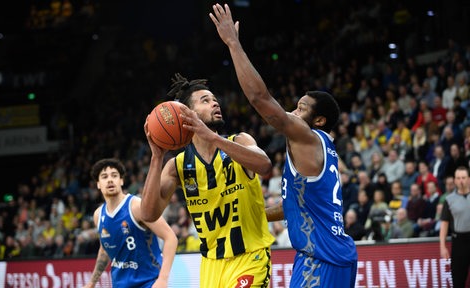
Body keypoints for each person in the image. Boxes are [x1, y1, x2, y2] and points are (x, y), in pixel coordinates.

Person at [209, 3, 358, 287]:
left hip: (322, 259)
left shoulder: (308, 136)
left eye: (300, 109)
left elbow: (260, 99)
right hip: (325, 255)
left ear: (320, 120)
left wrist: (232, 44)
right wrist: (257, 215)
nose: (292, 113)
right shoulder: (319, 148)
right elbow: (296, 203)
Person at [140, 73, 275, 287]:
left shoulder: (239, 141)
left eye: (214, 99)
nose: (215, 103)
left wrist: (212, 137)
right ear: (187, 115)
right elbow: (148, 214)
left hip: (250, 258)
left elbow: (265, 166)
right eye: (205, 100)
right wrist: (157, 158)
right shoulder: (177, 165)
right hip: (211, 265)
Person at [83, 158, 177, 288]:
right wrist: (92, 283)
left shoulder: (136, 206)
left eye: (114, 176)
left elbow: (170, 237)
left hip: (149, 282)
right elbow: (105, 249)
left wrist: (163, 279)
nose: (110, 180)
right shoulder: (98, 215)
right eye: (104, 177)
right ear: (98, 184)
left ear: (121, 181)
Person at [439, 166, 470, 288]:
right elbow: (444, 224)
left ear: (468, 179)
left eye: (463, 177)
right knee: (458, 279)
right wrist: (442, 246)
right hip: (459, 242)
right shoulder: (449, 199)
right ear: (455, 181)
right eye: (458, 178)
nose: (461, 181)